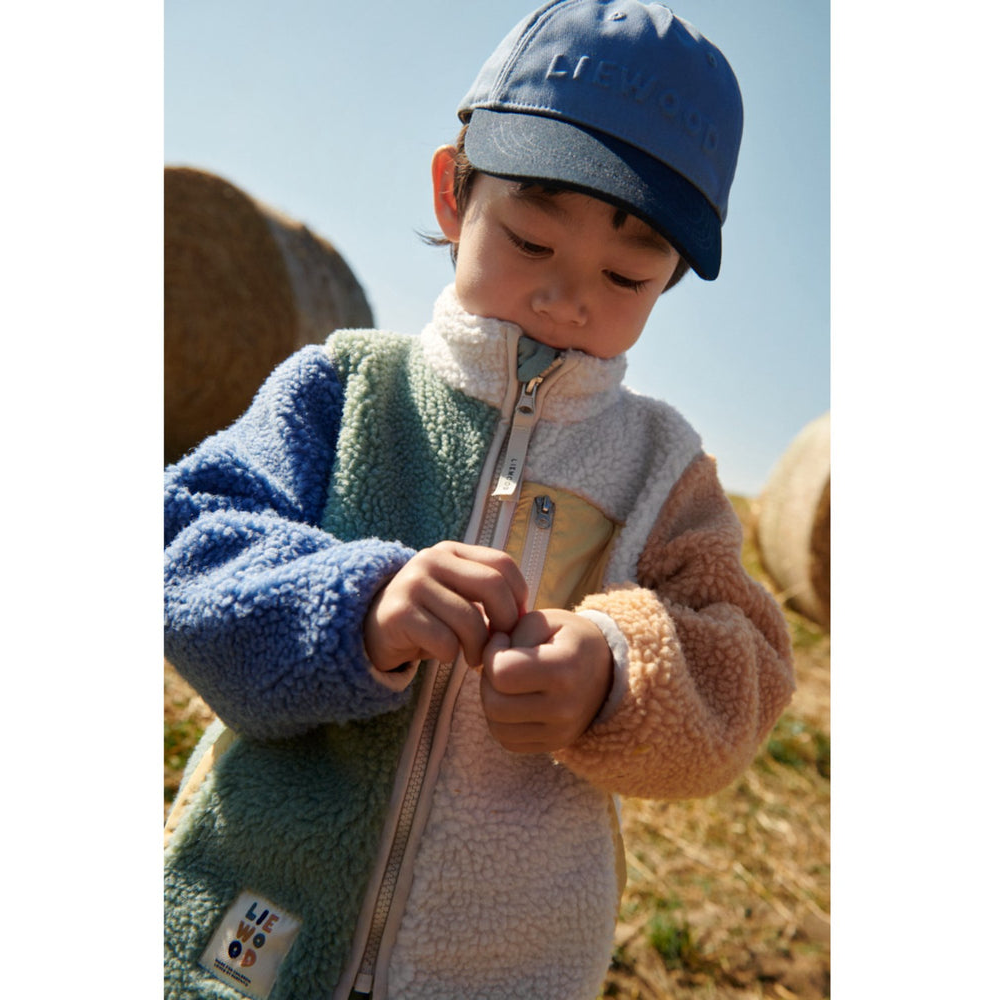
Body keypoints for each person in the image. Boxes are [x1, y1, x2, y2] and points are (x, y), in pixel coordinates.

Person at [163, 2, 795, 998]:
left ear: (671, 276)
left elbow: (746, 664)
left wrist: (616, 669)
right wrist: (355, 605)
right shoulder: (342, 388)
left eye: (624, 275)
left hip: (507, 963)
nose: (566, 299)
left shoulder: (662, 468)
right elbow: (187, 548)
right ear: (452, 194)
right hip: (252, 916)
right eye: (532, 241)